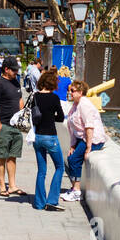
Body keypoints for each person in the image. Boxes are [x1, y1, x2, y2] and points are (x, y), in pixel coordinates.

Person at [62, 79, 107, 203]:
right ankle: (74, 188)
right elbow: (73, 128)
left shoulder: (84, 104)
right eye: (69, 90)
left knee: (74, 159)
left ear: (80, 92)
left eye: (72, 91)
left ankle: (76, 191)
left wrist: (88, 147)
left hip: (93, 139)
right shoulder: (76, 105)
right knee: (71, 158)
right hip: (82, 138)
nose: (70, 93)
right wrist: (72, 146)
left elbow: (89, 126)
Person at [0, 57, 25, 199]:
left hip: (16, 126)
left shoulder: (16, 81)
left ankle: (12, 185)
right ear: (6, 69)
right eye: (14, 70)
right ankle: (2, 186)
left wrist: (22, 118)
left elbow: (20, 100)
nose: (16, 72)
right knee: (2, 156)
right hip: (3, 125)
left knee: (13, 156)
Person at [30, 68, 66, 211]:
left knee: (41, 171)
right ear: (53, 84)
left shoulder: (35, 97)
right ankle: (52, 200)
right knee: (59, 167)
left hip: (37, 137)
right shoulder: (54, 98)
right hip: (50, 136)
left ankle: (39, 203)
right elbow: (61, 117)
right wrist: (51, 117)